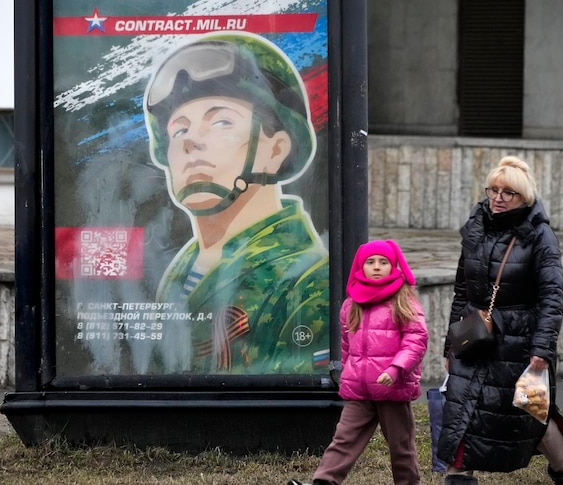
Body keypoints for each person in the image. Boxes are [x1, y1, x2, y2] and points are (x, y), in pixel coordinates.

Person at [143, 32, 329, 374]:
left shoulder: (306, 282)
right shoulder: (185, 269)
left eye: (222, 121)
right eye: (179, 130)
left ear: (275, 150)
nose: (192, 142)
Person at [437, 156, 563, 485]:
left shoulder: (540, 236)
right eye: (493, 190)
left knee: (532, 415)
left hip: (519, 343)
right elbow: (462, 290)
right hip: (475, 337)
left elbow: (552, 296)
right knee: (460, 416)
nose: (497, 198)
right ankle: (458, 477)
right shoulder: (476, 227)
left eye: (508, 192)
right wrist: (451, 344)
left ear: (524, 196)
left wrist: (542, 349)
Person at [288, 239, 428, 485]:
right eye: (370, 262)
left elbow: (416, 341)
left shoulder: (404, 301)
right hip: (359, 390)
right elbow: (346, 346)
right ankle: (323, 481)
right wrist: (347, 374)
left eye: (383, 262)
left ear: (394, 267)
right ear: (360, 267)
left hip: (392, 389)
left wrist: (396, 369)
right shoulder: (351, 304)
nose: (376, 267)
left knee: (401, 447)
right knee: (344, 439)